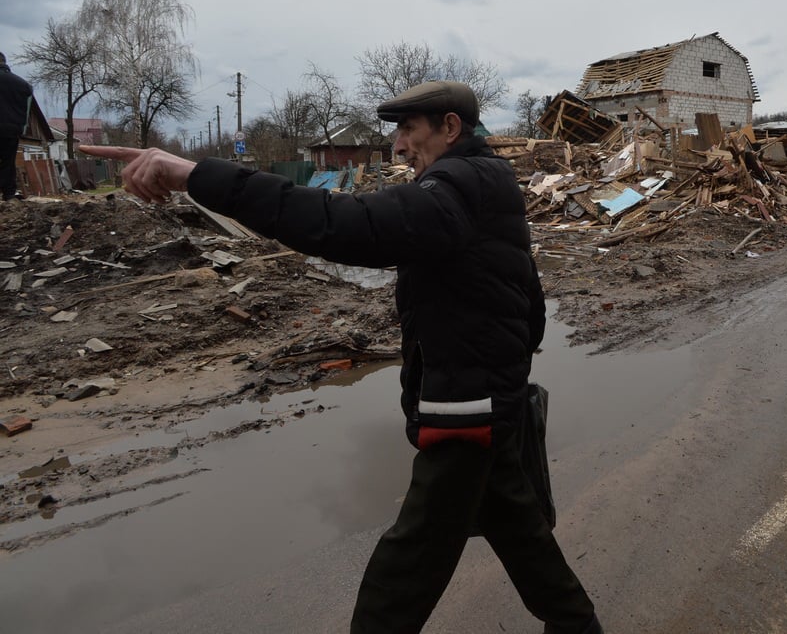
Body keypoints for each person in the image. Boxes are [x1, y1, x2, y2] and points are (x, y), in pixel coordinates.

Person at [82, 80, 603, 634]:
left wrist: (196, 175)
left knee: (403, 572)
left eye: (408, 129)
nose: (399, 146)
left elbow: (343, 223)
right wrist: (509, 369)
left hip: (466, 407)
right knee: (515, 524)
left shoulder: (455, 185)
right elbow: (528, 291)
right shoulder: (487, 181)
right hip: (485, 392)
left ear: (450, 128)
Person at [0, 51, 35, 201]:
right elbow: (26, 109)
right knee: (8, 161)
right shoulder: (23, 85)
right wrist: (22, 128)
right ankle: (8, 194)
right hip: (11, 129)